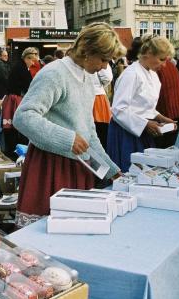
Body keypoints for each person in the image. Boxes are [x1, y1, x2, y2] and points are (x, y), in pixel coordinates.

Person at [13, 23, 125, 227]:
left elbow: (88, 131)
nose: (104, 67)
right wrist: (67, 139)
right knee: (47, 233)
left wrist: (111, 170)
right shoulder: (54, 73)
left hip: (79, 163)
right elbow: (23, 116)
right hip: (51, 166)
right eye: (103, 60)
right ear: (87, 51)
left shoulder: (87, 77)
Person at [107, 35, 177, 172]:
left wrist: (160, 117)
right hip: (126, 131)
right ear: (149, 54)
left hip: (142, 129)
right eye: (161, 59)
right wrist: (145, 124)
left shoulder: (152, 74)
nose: (164, 65)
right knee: (130, 170)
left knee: (145, 171)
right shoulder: (131, 74)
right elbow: (119, 109)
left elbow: (144, 105)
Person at [2, 47, 39, 156]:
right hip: (15, 99)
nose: (33, 63)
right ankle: (14, 150)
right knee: (16, 126)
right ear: (27, 58)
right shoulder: (21, 68)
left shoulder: (19, 66)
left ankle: (12, 149)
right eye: (32, 60)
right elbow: (29, 84)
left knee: (11, 126)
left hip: (13, 98)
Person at [154, 58, 179, 149]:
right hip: (177, 110)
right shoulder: (171, 65)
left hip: (165, 111)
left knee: (160, 147)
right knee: (170, 145)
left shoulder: (156, 66)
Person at [91, 63, 113, 151]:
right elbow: (107, 77)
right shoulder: (100, 59)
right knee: (101, 131)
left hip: (93, 95)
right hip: (97, 96)